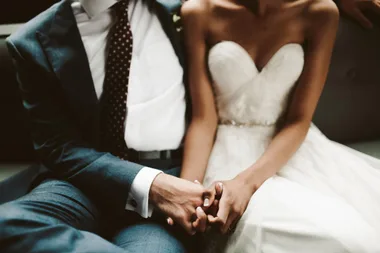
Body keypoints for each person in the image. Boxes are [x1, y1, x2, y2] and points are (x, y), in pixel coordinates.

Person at [0, 0, 217, 252]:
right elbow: (58, 147)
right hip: (82, 183)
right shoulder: (32, 41)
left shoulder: (183, 11)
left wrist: (183, 190)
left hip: (162, 200)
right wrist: (152, 185)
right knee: (7, 223)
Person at [179, 0, 380, 252]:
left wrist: (245, 184)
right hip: (225, 153)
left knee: (354, 239)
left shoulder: (320, 12)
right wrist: (186, 192)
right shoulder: (199, 11)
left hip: (292, 149)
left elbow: (298, 120)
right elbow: (203, 120)